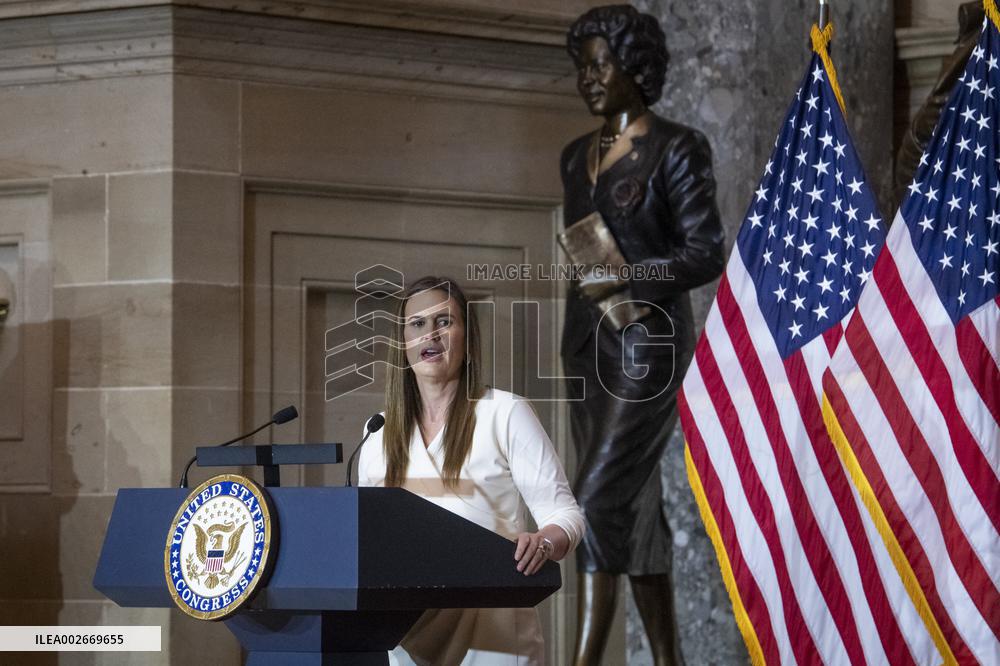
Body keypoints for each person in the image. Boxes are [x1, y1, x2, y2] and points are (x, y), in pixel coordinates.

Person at [560, 6, 725, 666]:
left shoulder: (677, 148)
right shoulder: (575, 157)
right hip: (587, 340)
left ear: (635, 67)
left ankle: (583, 661)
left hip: (648, 345)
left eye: (601, 63)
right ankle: (670, 659)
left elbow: (706, 252)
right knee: (634, 509)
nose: (589, 78)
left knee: (595, 501)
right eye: (583, 67)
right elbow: (582, 247)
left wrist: (635, 271)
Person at [357, 275, 586, 666]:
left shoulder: (505, 413)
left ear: (467, 336)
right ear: (402, 342)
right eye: (417, 324)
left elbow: (566, 516)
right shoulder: (377, 431)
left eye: (444, 321)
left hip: (492, 638)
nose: (431, 334)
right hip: (405, 642)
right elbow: (368, 539)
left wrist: (543, 543)